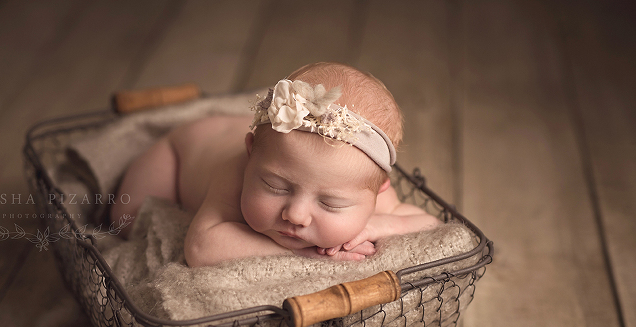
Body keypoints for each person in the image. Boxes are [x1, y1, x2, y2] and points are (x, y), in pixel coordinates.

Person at [111, 62, 439, 267]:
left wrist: (374, 226)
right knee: (127, 220)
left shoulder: (363, 181)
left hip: (266, 142)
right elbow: (201, 247)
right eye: (275, 187)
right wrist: (302, 254)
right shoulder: (235, 170)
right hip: (182, 150)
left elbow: (428, 224)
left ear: (379, 190)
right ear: (251, 153)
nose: (294, 215)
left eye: (331, 203)